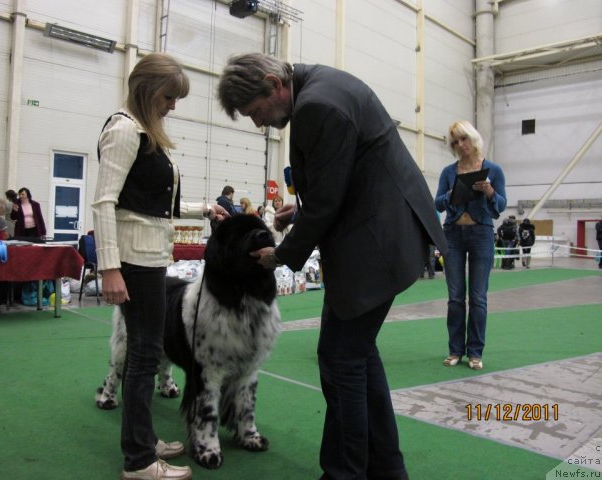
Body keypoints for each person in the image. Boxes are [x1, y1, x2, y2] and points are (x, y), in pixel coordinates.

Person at [218, 53, 447, 480]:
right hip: (380, 237)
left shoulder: (317, 105)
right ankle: (386, 469)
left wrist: (279, 256)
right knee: (355, 357)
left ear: (273, 85)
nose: (258, 123)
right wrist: (299, 213)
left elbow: (328, 203)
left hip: (377, 245)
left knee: (341, 361)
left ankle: (345, 473)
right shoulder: (318, 89)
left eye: (255, 112)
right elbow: (338, 182)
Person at [92, 52, 227, 480]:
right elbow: (104, 202)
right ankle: (139, 461)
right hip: (134, 261)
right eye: (169, 97)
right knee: (144, 356)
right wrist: (109, 267)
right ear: (149, 91)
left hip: (148, 257)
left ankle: (144, 442)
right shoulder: (124, 131)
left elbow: (155, 206)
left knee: (144, 355)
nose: (173, 106)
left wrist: (205, 208)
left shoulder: (143, 133)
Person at [435, 120, 507, 371]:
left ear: (473, 138)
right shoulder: (448, 172)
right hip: (453, 234)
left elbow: (501, 204)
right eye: (455, 142)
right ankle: (455, 350)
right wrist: (454, 193)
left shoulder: (494, 170)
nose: (460, 145)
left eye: (463, 138)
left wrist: (488, 191)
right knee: (455, 298)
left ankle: (475, 353)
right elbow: (438, 204)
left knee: (478, 298)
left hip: (482, 235)